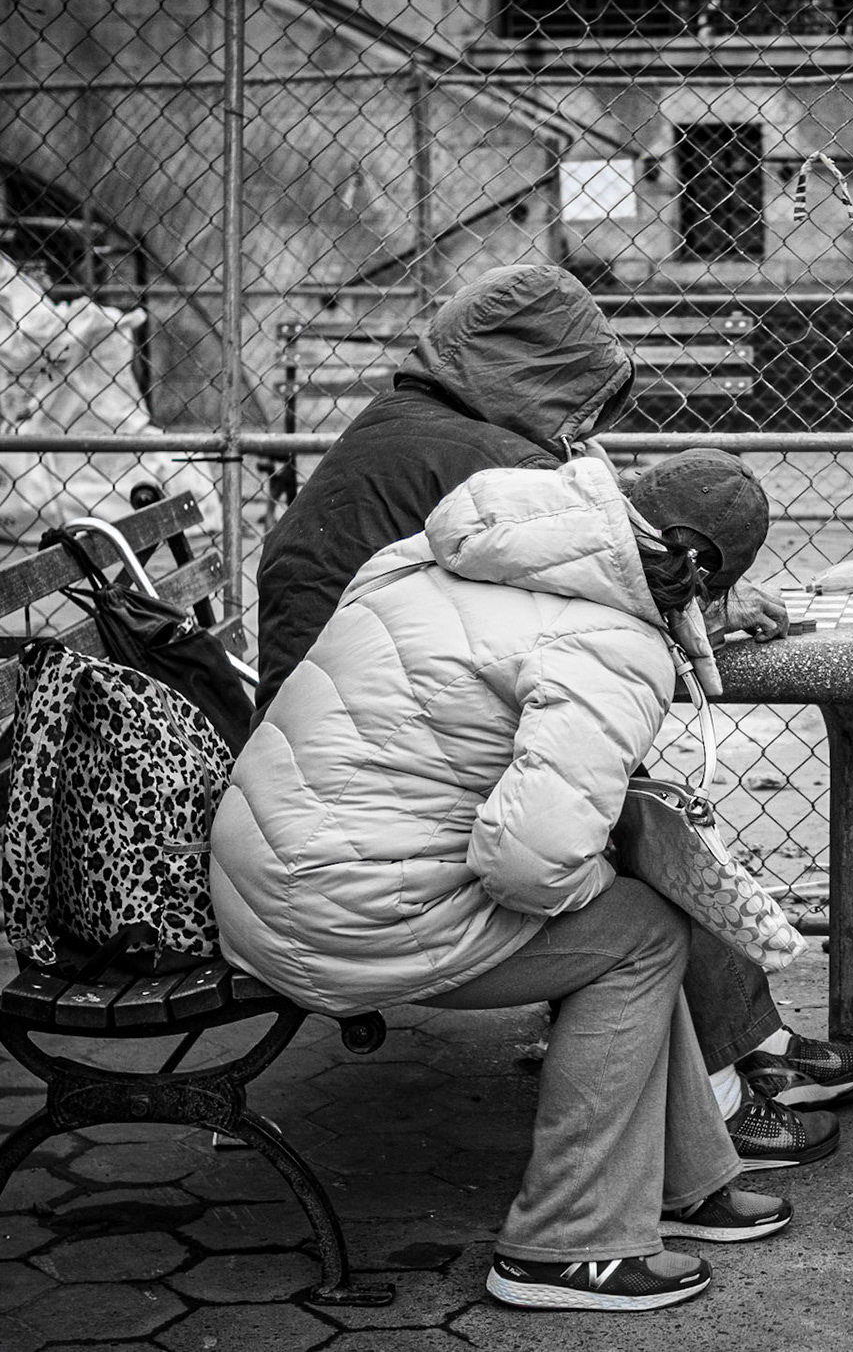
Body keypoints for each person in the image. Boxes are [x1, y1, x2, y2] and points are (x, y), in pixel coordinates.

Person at [251, 263, 853, 1166]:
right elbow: (602, 584)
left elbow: (579, 559)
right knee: (636, 828)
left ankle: (750, 1049)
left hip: (342, 759)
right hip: (364, 796)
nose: (584, 426)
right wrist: (686, 606)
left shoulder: (426, 428)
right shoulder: (484, 453)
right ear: (531, 372)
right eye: (579, 398)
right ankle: (718, 1090)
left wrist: (693, 602)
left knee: (623, 806)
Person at [212, 456, 798, 1311]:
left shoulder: (439, 547)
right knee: (641, 931)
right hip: (334, 918)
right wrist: (609, 858)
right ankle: (563, 1243)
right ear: (701, 585)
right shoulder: (617, 645)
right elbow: (528, 866)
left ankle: (686, 1174)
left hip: (262, 877)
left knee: (634, 908)